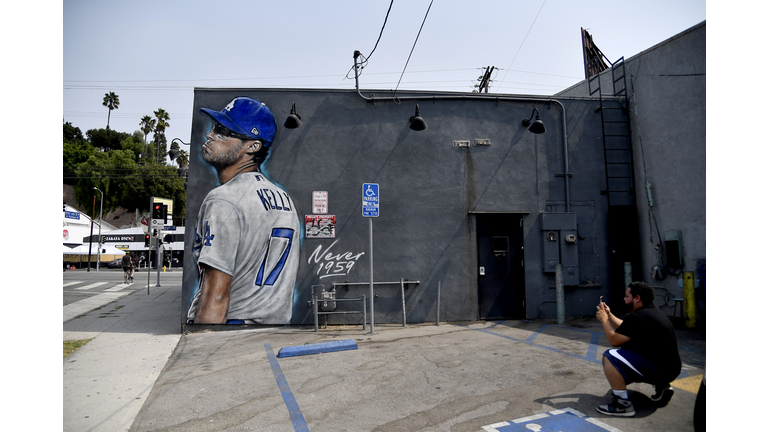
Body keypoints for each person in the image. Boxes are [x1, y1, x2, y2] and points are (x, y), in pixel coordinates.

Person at [186, 97, 301, 325]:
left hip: (230, 332)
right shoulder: (284, 199)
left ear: (253, 146)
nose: (210, 135)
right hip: (273, 334)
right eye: (213, 128)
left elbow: (215, 297)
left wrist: (200, 349)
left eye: (223, 131)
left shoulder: (223, 200)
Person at [595, 281, 681, 417]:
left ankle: (622, 405)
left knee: (610, 356)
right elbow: (626, 326)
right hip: (671, 369)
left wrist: (604, 320)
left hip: (660, 370)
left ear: (637, 298)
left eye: (627, 296)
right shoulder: (649, 312)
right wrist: (609, 314)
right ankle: (662, 387)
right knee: (636, 352)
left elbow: (614, 340)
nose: (624, 299)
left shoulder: (640, 317)